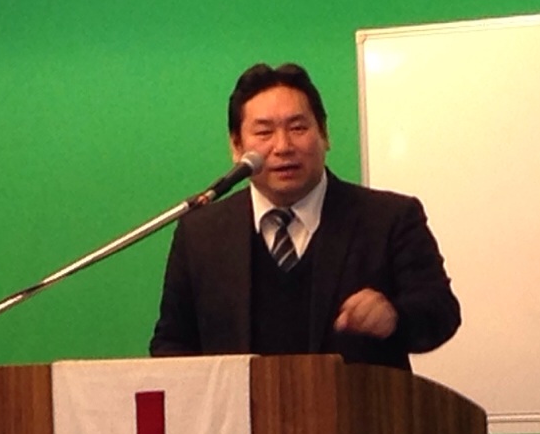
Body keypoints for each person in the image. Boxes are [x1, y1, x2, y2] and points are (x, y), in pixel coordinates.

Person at [150, 62, 460, 370]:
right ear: (236, 146)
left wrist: (395, 316)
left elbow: (442, 313)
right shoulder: (200, 234)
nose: (283, 146)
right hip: (237, 404)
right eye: (264, 132)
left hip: (360, 402)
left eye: (298, 128)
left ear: (324, 134)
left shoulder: (389, 218)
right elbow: (171, 343)